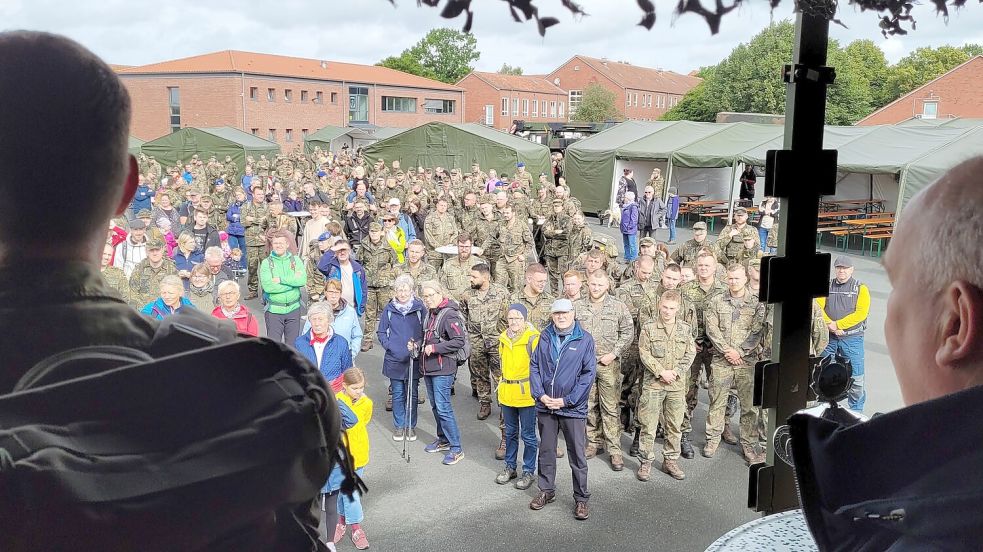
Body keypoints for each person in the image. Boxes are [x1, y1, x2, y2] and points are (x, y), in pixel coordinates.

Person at [528, 298, 596, 521]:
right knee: (546, 451)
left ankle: (581, 499)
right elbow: (535, 366)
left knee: (577, 455)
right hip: (546, 405)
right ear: (552, 315)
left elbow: (588, 375)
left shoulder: (585, 340)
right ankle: (546, 490)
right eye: (557, 313)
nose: (561, 317)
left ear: (573, 313)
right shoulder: (544, 337)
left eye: (565, 313)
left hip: (572, 408)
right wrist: (540, 395)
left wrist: (567, 400)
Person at [703, 263, 766, 464]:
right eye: (730, 278)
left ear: (746, 278)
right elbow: (711, 329)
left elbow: (757, 331)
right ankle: (712, 439)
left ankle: (748, 443)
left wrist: (739, 352)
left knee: (749, 407)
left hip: (746, 362)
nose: (733, 281)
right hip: (722, 361)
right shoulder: (716, 301)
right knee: (717, 402)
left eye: (737, 278)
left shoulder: (756, 303)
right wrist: (728, 351)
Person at [575, 272, 634, 471]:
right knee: (590, 405)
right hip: (585, 365)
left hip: (609, 365)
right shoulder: (578, 307)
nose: (596, 287)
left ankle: (614, 449)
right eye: (593, 284)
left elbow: (628, 332)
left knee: (610, 407)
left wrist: (614, 353)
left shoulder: (618, 306)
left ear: (607, 285)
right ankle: (593, 442)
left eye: (600, 284)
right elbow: (572, 333)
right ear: (587, 284)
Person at [636, 290, 696, 481]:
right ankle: (646, 462)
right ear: (659, 305)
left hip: (676, 384)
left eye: (671, 308)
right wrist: (661, 371)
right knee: (648, 424)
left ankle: (670, 460)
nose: (667, 311)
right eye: (664, 307)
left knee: (674, 425)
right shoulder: (649, 327)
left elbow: (690, 353)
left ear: (678, 308)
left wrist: (676, 372)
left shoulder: (685, 329)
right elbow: (643, 352)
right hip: (654, 383)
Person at [418, 280, 467, 466]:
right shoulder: (430, 313)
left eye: (431, 295)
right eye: (425, 296)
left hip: (443, 368)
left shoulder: (449, 315)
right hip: (429, 367)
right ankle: (443, 439)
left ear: (440, 294)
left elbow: (458, 341)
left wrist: (435, 348)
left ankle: (456, 448)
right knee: (435, 406)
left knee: (443, 406)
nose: (428, 299)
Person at [816, 256, 870, 413]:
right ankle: (826, 408)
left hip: (852, 339)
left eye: (845, 268)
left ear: (851, 270)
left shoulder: (861, 288)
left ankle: (856, 411)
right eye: (839, 268)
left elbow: (861, 313)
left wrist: (839, 324)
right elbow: (818, 306)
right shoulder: (826, 286)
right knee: (824, 373)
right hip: (829, 338)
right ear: (835, 269)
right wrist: (830, 324)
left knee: (857, 377)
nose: (842, 271)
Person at [496, 303, 541, 491]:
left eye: (518, 318)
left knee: (529, 435)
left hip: (526, 395)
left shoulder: (533, 338)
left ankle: (529, 470)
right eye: (511, 318)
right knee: (510, 433)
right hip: (507, 394)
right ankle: (510, 466)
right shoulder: (503, 338)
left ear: (525, 319)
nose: (514, 322)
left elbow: (540, 366)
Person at [378, 274, 425, 441]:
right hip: (394, 359)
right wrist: (390, 346)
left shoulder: (420, 309)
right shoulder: (389, 309)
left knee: (412, 394)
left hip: (414, 358)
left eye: (405, 290)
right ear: (395, 291)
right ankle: (399, 426)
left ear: (411, 291)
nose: (403, 293)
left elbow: (426, 331)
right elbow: (381, 332)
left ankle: (410, 426)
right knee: (397, 393)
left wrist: (418, 344)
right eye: (399, 290)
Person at [332, 368, 372, 551]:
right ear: (345, 386)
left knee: (350, 491)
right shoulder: (336, 401)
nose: (359, 391)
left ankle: (350, 525)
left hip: (358, 454)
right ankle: (347, 525)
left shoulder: (367, 403)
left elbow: (361, 422)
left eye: (361, 387)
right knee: (344, 490)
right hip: (339, 455)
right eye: (355, 388)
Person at [295, 301, 352, 393]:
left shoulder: (341, 343)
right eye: (314, 319)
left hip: (334, 393)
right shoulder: (299, 343)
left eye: (320, 319)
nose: (317, 323)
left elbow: (347, 371)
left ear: (329, 320)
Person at [260, 232, 306, 345]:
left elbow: (302, 281)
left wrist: (280, 279)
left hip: (294, 309)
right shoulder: (266, 263)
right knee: (274, 348)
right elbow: (268, 287)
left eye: (281, 243)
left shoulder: (296, 260)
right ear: (272, 245)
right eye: (275, 243)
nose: (278, 246)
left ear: (287, 245)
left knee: (292, 348)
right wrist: (293, 284)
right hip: (274, 311)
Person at [318, 238, 368, 320]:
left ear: (349, 251)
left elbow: (364, 289)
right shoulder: (331, 266)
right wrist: (332, 250)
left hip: (352, 308)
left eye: (344, 249)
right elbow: (321, 266)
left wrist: (361, 308)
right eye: (339, 250)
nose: (342, 252)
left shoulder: (357, 268)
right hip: (334, 308)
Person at [323, 279, 363, 358]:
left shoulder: (350, 312)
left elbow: (357, 335)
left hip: (344, 358)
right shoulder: (316, 310)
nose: (333, 296)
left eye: (336, 292)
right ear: (325, 292)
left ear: (340, 294)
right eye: (331, 292)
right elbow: (305, 335)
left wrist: (352, 354)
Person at [620, 191, 639, 262]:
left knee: (632, 245)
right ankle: (627, 258)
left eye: (625, 197)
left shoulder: (633, 207)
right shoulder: (625, 206)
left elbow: (634, 219)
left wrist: (629, 227)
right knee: (626, 244)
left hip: (630, 230)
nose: (624, 199)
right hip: (624, 229)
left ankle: (633, 259)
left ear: (628, 198)